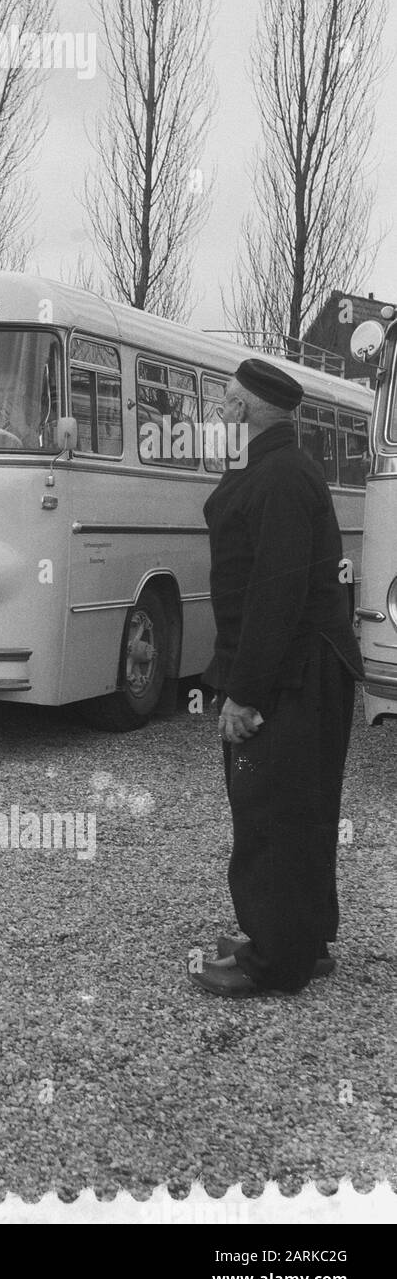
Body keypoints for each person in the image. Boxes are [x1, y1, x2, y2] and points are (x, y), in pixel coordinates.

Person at [191, 357, 364, 998]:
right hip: (303, 666)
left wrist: (244, 693)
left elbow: (275, 596)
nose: (217, 413)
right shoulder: (275, 468)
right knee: (300, 807)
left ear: (244, 412)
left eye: (225, 403)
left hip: (295, 673)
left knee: (273, 811)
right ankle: (300, 939)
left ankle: (274, 960)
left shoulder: (280, 476)